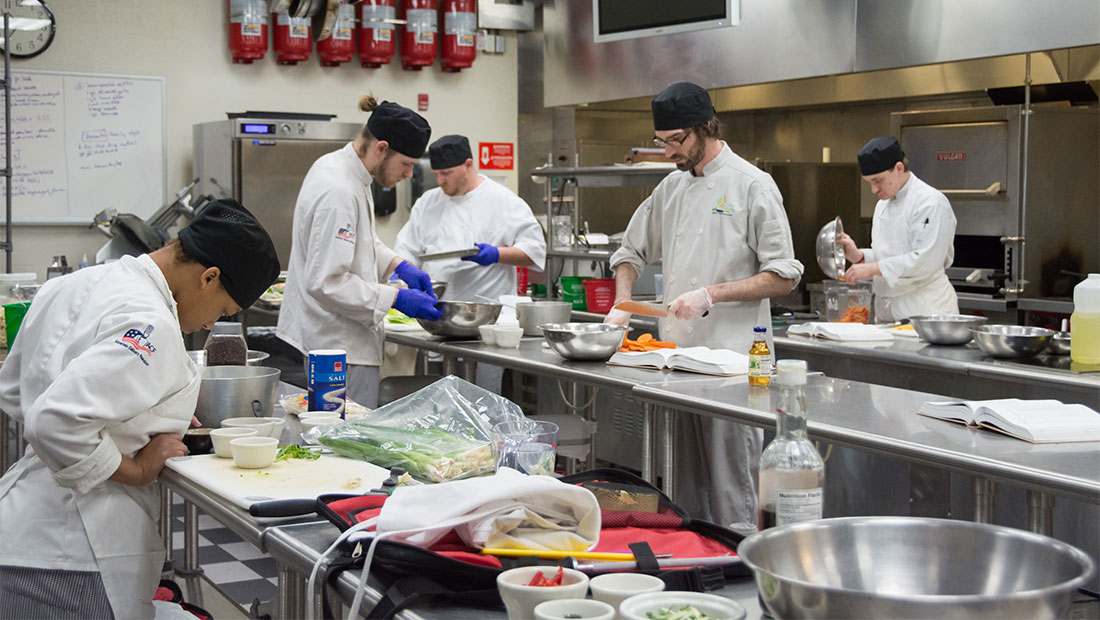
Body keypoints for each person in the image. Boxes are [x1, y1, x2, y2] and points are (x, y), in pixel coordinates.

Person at [0, 199, 280, 620]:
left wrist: (146, 410)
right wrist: (139, 469)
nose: (209, 326)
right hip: (75, 550)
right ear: (209, 276)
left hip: (20, 529)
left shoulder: (74, 284)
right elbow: (53, 422)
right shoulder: (153, 325)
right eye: (222, 311)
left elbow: (14, 390)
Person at [605, 82, 803, 527]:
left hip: (735, 366)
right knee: (681, 486)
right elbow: (628, 251)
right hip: (675, 363)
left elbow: (784, 275)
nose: (671, 152)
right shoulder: (670, 189)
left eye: (678, 141)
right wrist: (622, 300)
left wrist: (711, 294)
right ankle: (693, 567)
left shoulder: (753, 185)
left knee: (734, 485)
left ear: (706, 128)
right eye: (663, 143)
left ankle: (741, 569)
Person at [278, 95, 443, 409]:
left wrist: (399, 265)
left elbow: (362, 240)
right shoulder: (338, 189)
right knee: (343, 440)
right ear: (381, 148)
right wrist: (396, 298)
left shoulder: (344, 170)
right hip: (339, 350)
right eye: (406, 164)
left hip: (338, 342)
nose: (410, 174)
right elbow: (326, 281)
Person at [393, 134, 546, 392]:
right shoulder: (428, 202)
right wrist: (402, 274)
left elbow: (535, 250)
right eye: (437, 174)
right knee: (438, 392)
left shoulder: (502, 200)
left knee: (483, 394)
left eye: (447, 173)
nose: (441, 181)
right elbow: (407, 249)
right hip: (437, 318)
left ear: (468, 164)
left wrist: (497, 254)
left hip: (484, 322)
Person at [838, 136, 958, 322]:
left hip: (925, 311)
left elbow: (925, 260)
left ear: (899, 168)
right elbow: (889, 256)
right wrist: (860, 257)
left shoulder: (930, 202)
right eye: (869, 182)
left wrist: (871, 268)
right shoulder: (883, 205)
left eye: (877, 181)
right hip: (887, 313)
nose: (874, 190)